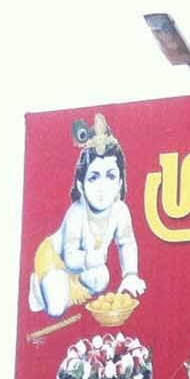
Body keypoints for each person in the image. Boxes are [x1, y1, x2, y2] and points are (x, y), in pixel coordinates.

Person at [28, 119, 144, 320]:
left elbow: (127, 243)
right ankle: (38, 289)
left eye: (110, 176)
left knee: (102, 279)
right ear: (81, 185)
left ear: (120, 183)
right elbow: (71, 257)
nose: (102, 186)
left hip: (83, 266)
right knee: (56, 309)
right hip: (56, 258)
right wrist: (92, 259)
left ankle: (65, 286)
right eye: (93, 177)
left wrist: (131, 275)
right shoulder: (76, 212)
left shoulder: (120, 211)